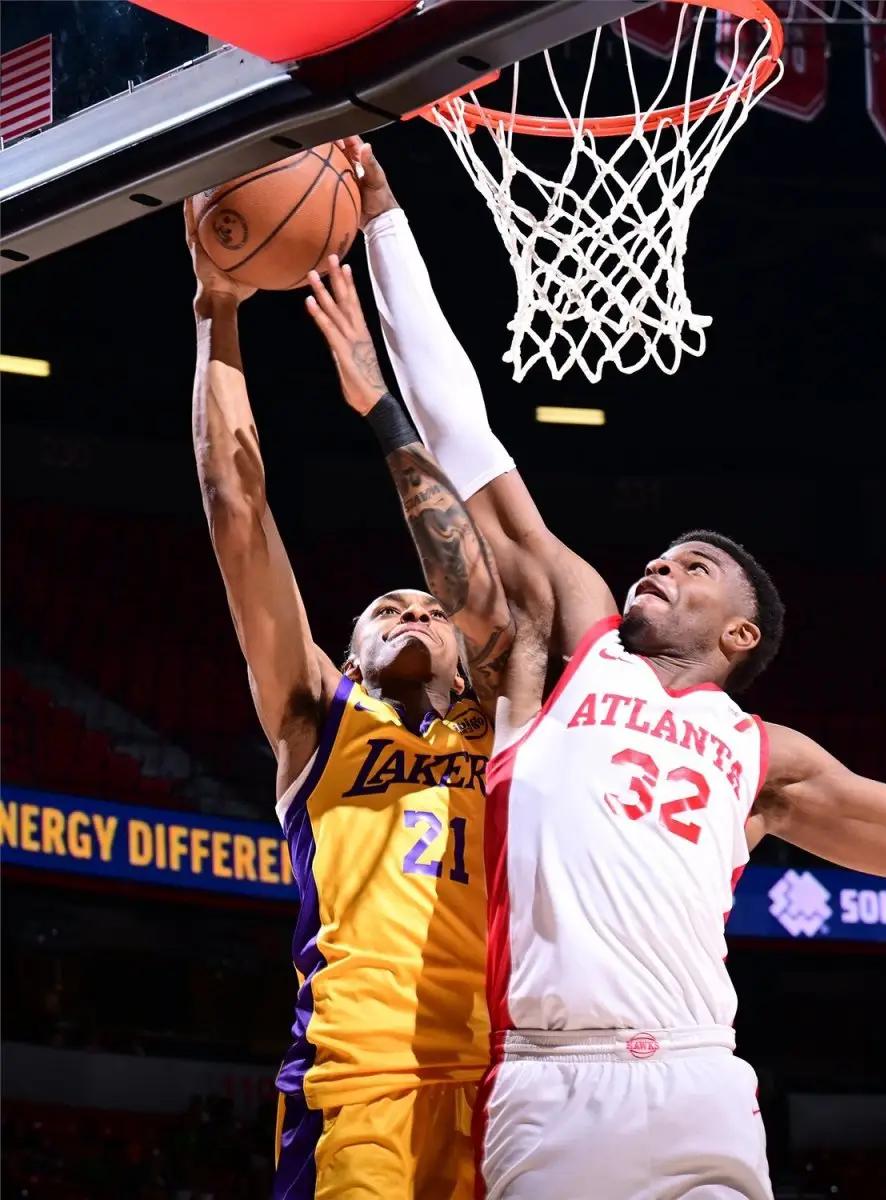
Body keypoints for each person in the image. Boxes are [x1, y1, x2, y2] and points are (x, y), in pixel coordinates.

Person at [331, 140, 886, 1200]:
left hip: (696, 1077)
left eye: (694, 565)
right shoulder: (578, 651)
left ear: (741, 636)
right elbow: (467, 439)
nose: (661, 564)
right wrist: (387, 223)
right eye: (661, 556)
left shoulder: (765, 756)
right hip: (549, 1083)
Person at [185, 200, 513, 1200]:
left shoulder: (505, 721)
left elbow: (480, 586)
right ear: (349, 651)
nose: (412, 610)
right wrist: (216, 311)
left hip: (509, 1091)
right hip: (355, 1086)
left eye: (428, 607)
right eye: (386, 609)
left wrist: (383, 406)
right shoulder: (318, 718)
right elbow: (237, 513)